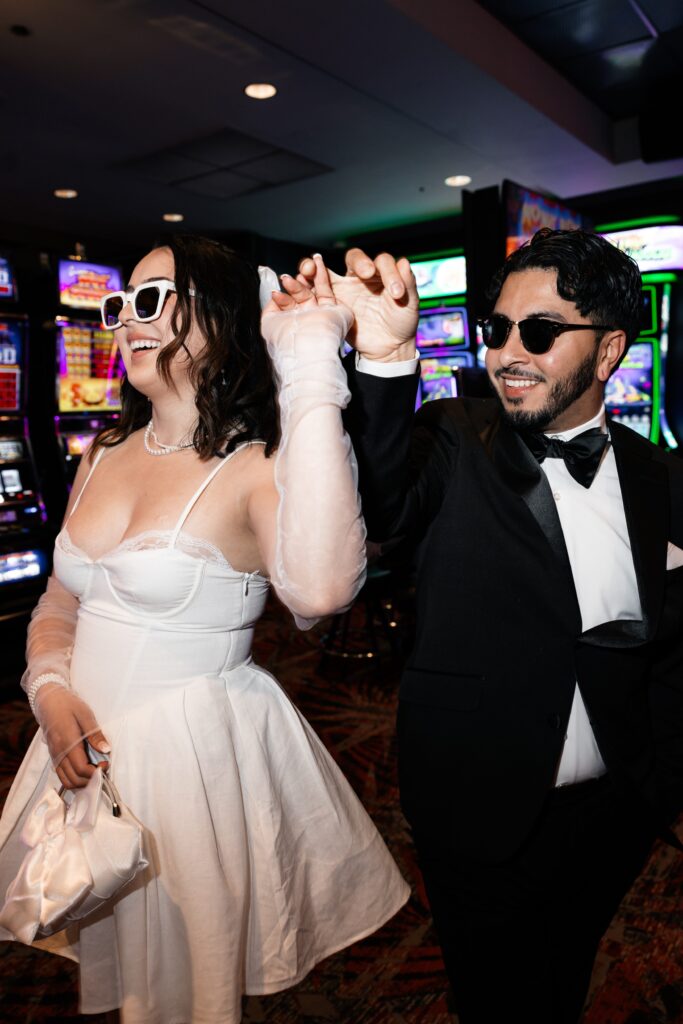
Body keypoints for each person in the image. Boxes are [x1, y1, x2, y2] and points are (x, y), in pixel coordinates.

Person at [0, 236, 409, 1023]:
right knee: (122, 973)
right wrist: (50, 692)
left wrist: (310, 364)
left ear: (223, 319)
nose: (124, 323)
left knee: (183, 992)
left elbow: (322, 592)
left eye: (151, 300)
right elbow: (58, 602)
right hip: (79, 746)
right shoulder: (100, 451)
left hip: (189, 766)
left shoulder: (257, 465)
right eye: (119, 307)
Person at [298, 229, 683, 1024]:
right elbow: (376, 498)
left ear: (608, 351)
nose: (509, 350)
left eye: (538, 332)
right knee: (494, 999)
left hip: (613, 815)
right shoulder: (449, 437)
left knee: (565, 978)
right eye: (498, 328)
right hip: (478, 810)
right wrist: (383, 359)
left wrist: (658, 778)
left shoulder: (663, 478)